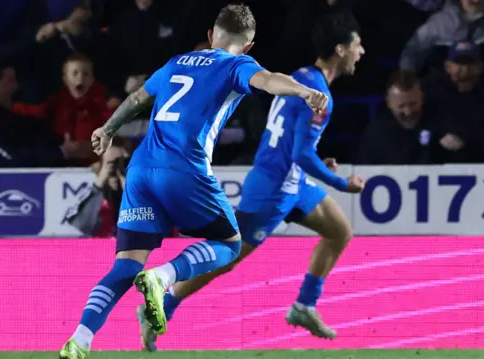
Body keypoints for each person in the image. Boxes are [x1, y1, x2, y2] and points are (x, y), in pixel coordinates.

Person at [59, 4, 329, 359]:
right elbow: (268, 80)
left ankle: (79, 340)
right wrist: (302, 91)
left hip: (141, 169)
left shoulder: (178, 62)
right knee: (229, 243)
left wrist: (108, 129)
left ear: (210, 35)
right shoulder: (237, 65)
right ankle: (165, 277)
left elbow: (139, 97)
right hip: (183, 168)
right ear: (248, 46)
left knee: (125, 265)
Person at [138, 12, 366, 352]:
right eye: (357, 45)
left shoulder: (301, 77)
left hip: (293, 183)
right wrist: (341, 182)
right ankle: (160, 306)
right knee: (226, 257)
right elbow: (301, 154)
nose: (361, 51)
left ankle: (304, 305)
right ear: (340, 49)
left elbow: (295, 146)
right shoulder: (319, 95)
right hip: (272, 190)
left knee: (340, 231)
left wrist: (317, 161)